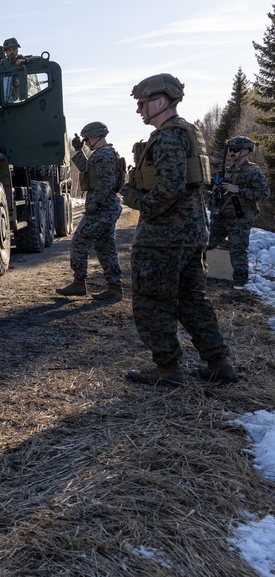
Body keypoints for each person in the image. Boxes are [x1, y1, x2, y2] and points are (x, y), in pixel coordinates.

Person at [121, 73, 237, 386]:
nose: (139, 110)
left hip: (164, 239)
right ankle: (218, 361)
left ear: (160, 101)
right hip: (192, 234)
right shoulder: (189, 134)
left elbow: (169, 187)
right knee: (192, 299)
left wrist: (139, 203)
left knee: (152, 303)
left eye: (142, 103)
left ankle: (168, 367)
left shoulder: (167, 137)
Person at [56, 122, 123, 300]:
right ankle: (115, 287)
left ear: (94, 137)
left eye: (86, 140)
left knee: (79, 242)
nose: (86, 143)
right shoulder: (102, 154)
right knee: (105, 247)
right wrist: (78, 151)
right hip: (106, 208)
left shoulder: (104, 155)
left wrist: (95, 202)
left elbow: (106, 182)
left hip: (102, 209)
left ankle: (79, 283)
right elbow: (87, 170)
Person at [207, 136, 271, 290]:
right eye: (231, 149)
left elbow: (264, 193)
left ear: (246, 151)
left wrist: (239, 190)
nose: (232, 153)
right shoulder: (229, 171)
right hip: (222, 217)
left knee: (238, 253)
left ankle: (240, 287)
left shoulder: (252, 171)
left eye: (236, 150)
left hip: (240, 220)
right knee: (205, 244)